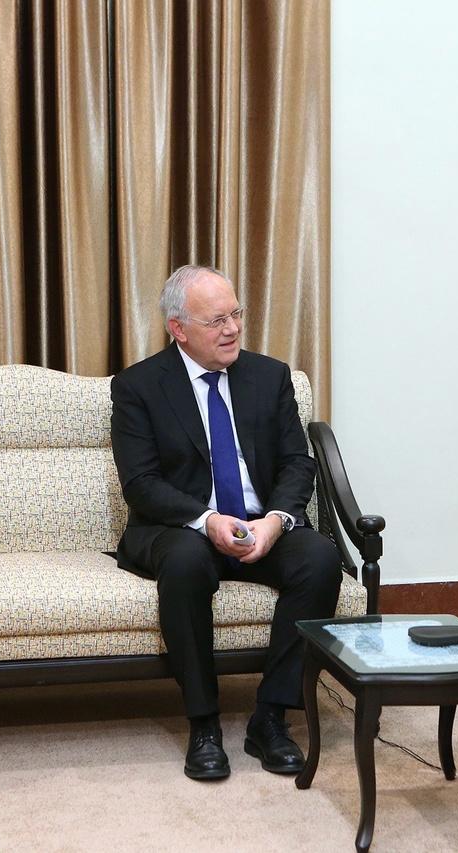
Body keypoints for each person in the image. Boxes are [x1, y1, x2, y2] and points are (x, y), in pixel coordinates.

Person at [110, 264, 344, 781]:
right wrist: (207, 518)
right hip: (180, 528)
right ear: (179, 328)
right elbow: (141, 483)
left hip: (260, 523)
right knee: (189, 562)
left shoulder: (269, 375)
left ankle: (271, 718)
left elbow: (296, 462)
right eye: (217, 320)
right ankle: (204, 724)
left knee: (321, 558)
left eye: (235, 313)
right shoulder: (138, 387)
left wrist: (277, 522)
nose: (233, 328)